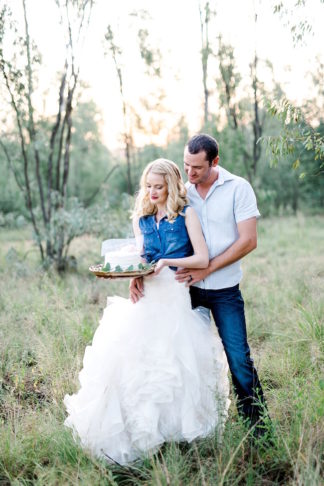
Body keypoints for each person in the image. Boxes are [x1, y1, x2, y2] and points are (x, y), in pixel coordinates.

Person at [64, 158, 230, 465]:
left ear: (171, 185)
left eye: (159, 186)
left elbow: (202, 256)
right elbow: (139, 257)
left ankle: (179, 438)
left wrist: (168, 262)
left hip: (174, 296)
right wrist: (135, 278)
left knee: (173, 365)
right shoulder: (141, 219)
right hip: (147, 298)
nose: (152, 192)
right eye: (148, 186)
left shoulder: (186, 214)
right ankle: (142, 436)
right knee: (136, 363)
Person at [130, 134, 269, 434]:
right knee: (185, 360)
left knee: (238, 359)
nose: (189, 174)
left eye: (196, 168)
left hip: (224, 292)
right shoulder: (182, 193)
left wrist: (207, 269)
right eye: (186, 165)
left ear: (214, 162)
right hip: (185, 291)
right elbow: (155, 239)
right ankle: (187, 426)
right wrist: (137, 275)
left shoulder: (237, 188)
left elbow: (249, 240)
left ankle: (258, 428)